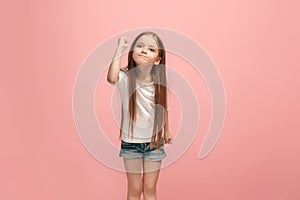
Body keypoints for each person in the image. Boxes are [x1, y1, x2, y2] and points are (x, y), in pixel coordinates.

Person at [107, 31, 173, 200]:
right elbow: (111, 77)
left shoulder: (160, 81)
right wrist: (120, 48)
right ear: (133, 52)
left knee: (150, 189)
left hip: (154, 143)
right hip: (131, 143)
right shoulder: (125, 77)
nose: (144, 50)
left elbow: (163, 107)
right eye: (140, 46)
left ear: (158, 60)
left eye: (151, 49)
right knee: (135, 189)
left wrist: (166, 131)